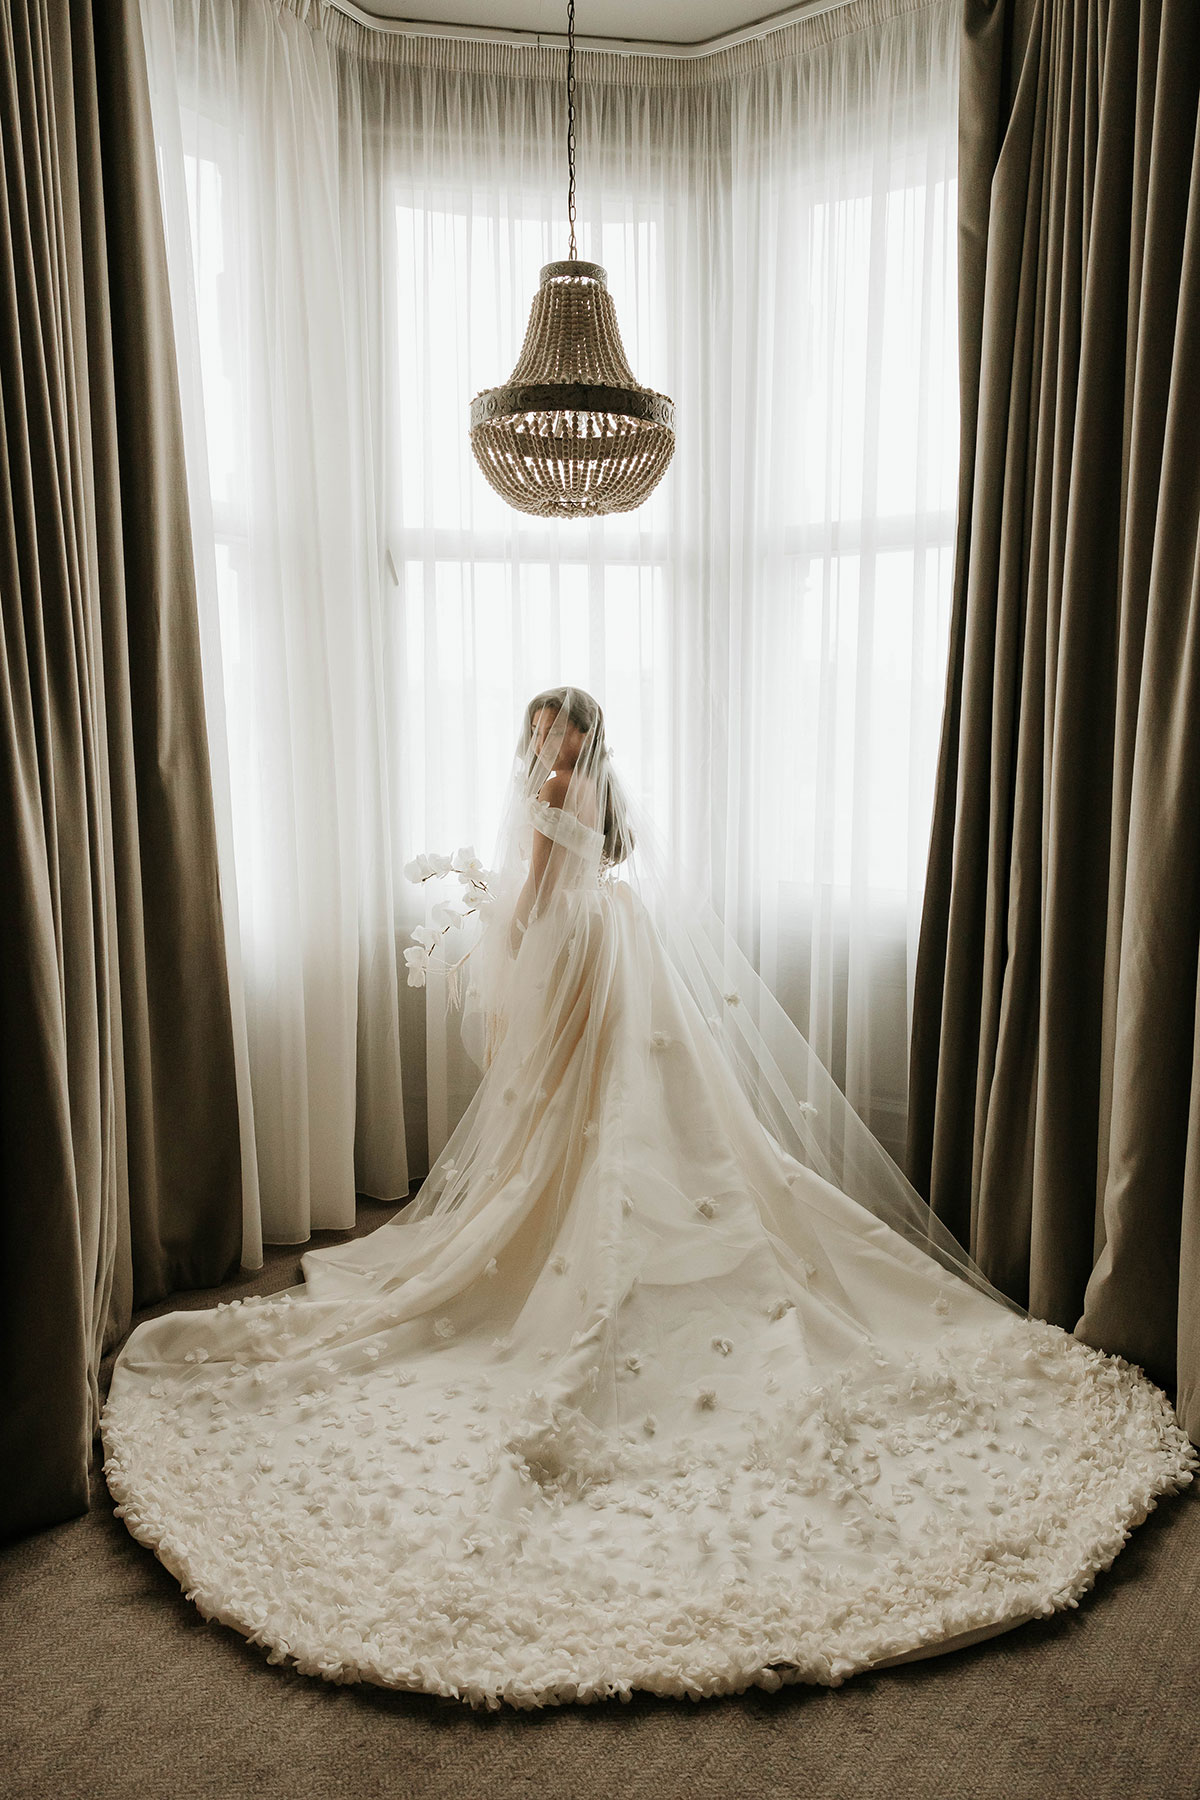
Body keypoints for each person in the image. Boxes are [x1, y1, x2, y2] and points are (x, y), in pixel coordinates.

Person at [102, 685, 1196, 1709]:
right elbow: (606, 866)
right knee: (632, 1109)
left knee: (584, 1112)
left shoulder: (549, 789)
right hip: (615, 940)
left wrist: (505, 945)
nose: (545, 743)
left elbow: (538, 889)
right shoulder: (604, 791)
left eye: (553, 727)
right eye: (542, 729)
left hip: (577, 943)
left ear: (570, 735)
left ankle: (593, 1228)